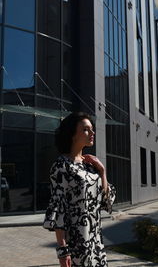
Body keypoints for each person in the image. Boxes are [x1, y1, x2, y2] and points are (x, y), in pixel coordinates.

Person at [43, 111, 116, 267]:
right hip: (76, 246)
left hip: (96, 245)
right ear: (72, 135)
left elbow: (107, 202)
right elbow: (58, 208)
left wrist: (102, 172)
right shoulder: (62, 166)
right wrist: (62, 250)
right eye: (86, 129)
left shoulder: (91, 165)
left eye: (92, 129)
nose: (92, 132)